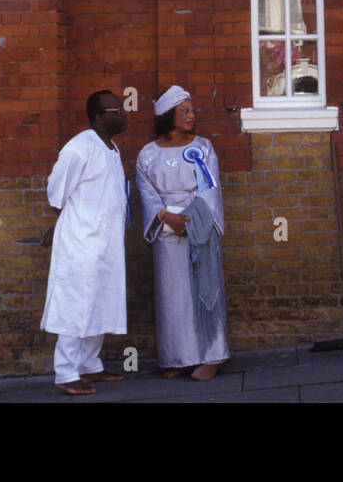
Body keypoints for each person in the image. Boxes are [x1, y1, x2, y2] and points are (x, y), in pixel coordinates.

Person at [135, 85, 229, 381]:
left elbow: (209, 188)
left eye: (192, 110)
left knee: (204, 291)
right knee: (172, 295)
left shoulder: (202, 148)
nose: (192, 115)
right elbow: (146, 192)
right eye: (184, 111)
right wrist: (166, 217)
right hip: (166, 231)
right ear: (167, 115)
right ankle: (177, 357)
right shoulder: (148, 154)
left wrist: (191, 220)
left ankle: (211, 357)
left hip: (197, 226)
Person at [40, 89, 130, 396]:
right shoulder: (79, 148)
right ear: (98, 117)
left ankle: (91, 366)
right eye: (116, 110)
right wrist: (67, 225)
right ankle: (66, 372)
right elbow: (56, 194)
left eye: (122, 108)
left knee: (101, 301)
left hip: (106, 244)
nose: (123, 114)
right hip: (81, 242)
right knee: (76, 303)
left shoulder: (112, 148)